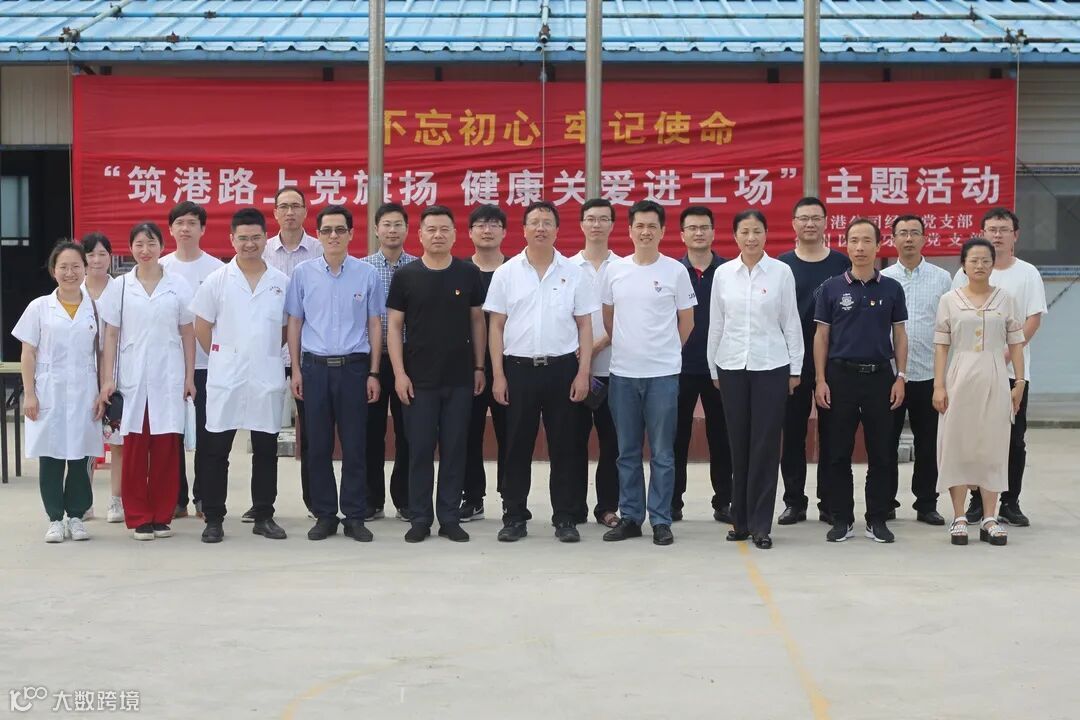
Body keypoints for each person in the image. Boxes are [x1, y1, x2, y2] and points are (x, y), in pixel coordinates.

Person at [484, 200, 596, 543]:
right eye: (535, 222)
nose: (541, 228)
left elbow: (585, 326)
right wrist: (498, 374)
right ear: (524, 229)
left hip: (563, 369)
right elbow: (496, 326)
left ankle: (565, 517)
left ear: (558, 230)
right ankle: (514, 516)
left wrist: (583, 373)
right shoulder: (506, 273)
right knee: (516, 446)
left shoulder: (574, 272)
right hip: (518, 370)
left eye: (547, 223)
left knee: (565, 446)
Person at [190, 209, 290, 543]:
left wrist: (261, 352)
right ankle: (214, 519)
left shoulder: (281, 282)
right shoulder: (217, 280)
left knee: (266, 449)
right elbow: (202, 326)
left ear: (265, 238)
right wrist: (223, 355)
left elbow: (285, 329)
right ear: (232, 239)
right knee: (217, 450)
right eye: (243, 238)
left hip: (265, 375)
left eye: (256, 237)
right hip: (226, 377)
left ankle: (264, 515)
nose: (249, 244)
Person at [387, 206, 486, 543]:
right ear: (420, 235)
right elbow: (394, 327)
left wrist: (479, 366)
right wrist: (399, 374)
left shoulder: (468, 273)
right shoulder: (407, 275)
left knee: (455, 449)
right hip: (418, 381)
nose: (438, 235)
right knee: (419, 450)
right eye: (431, 229)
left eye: (444, 229)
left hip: (460, 378)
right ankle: (419, 518)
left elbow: (477, 321)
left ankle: (449, 517)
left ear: (455, 234)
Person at [286, 204, 384, 543]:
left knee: (355, 445)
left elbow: (374, 324)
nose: (333, 236)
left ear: (351, 234)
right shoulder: (303, 274)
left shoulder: (366, 274)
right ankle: (325, 514)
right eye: (326, 230)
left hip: (354, 369)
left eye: (340, 230)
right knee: (318, 446)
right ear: (318, 235)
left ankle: (355, 515)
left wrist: (374, 372)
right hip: (314, 370)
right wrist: (296, 369)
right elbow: (295, 322)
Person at [602, 200, 696, 546]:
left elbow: (687, 322)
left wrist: (666, 351)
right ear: (629, 230)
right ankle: (630, 517)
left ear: (663, 231)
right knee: (626, 451)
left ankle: (660, 519)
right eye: (639, 226)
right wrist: (628, 346)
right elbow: (609, 317)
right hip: (623, 375)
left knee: (662, 453)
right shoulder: (614, 270)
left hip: (662, 376)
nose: (645, 232)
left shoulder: (675, 271)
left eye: (652, 226)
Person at [706, 210, 803, 550]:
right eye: (745, 231)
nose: (751, 238)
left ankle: (761, 525)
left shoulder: (781, 272)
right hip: (731, 365)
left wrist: (795, 369)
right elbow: (717, 324)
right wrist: (713, 368)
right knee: (738, 444)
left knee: (765, 446)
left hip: (771, 366)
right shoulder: (723, 274)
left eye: (757, 231)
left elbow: (791, 321)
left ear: (766, 234)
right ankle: (740, 521)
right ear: (735, 236)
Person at [96, 222, 196, 541]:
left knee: (166, 447)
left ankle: (162, 515)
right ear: (130, 248)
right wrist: (108, 379)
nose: (145, 250)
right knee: (135, 449)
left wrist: (189, 377)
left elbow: (188, 332)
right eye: (139, 244)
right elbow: (111, 335)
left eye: (151, 243)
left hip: (169, 375)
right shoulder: (121, 286)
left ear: (162, 246)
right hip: (132, 376)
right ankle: (139, 516)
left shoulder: (178, 284)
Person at [814, 219, 908, 544]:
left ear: (878, 246)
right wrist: (820, 379)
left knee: (881, 453)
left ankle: (876, 519)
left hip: (880, 377)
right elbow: (821, 335)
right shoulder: (831, 288)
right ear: (846, 244)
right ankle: (842, 518)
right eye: (854, 240)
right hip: (839, 377)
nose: (860, 247)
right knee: (837, 452)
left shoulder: (892, 288)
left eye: (867, 240)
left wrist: (901, 376)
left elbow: (900, 334)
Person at [952, 208, 1047, 527]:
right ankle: (978, 502)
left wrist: (1003, 355)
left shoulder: (1027, 273)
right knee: (974, 436)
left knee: (1012, 439)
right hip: (971, 373)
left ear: (1015, 235)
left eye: (1004, 229)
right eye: (991, 229)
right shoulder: (965, 272)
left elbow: (1033, 319)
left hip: (1011, 373)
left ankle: (1010, 501)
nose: (997, 235)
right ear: (982, 233)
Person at [933, 238, 1026, 547]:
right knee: (956, 443)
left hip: (996, 376)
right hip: (959, 377)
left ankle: (989, 518)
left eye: (986, 260)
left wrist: (1019, 382)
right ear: (963, 264)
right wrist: (939, 385)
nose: (980, 265)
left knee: (993, 445)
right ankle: (959, 517)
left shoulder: (1005, 299)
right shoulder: (949, 300)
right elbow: (941, 346)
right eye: (973, 260)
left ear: (992, 264)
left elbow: (1016, 342)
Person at [13, 241, 103, 543]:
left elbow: (103, 353)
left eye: (76, 266)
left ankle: (76, 516)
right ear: (54, 270)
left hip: (85, 392)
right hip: (49, 391)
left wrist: (103, 391)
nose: (70, 272)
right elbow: (28, 353)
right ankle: (55, 518)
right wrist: (30, 394)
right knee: (50, 457)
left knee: (81, 456)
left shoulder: (95, 308)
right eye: (63, 267)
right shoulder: (39, 307)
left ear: (85, 269)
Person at [777, 197, 850, 525]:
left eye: (816, 218)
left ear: (825, 222)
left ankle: (828, 502)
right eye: (803, 218)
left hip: (834, 362)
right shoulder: (781, 266)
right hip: (791, 361)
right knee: (792, 434)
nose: (809, 224)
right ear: (793, 223)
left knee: (832, 434)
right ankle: (794, 502)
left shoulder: (842, 264)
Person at [254, 186, 322, 521]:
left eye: (296, 206)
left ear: (306, 211)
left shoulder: (321, 250)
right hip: (267, 352)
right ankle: (261, 504)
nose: (290, 212)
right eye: (284, 206)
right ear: (275, 213)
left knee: (310, 433)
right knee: (262, 431)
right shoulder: (261, 251)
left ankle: (315, 501)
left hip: (307, 353)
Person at [880, 215, 951, 525]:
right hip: (890, 375)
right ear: (893, 239)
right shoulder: (883, 278)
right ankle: (886, 502)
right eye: (902, 233)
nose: (908, 239)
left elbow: (949, 326)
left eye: (914, 233)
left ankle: (926, 503)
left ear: (925, 238)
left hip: (928, 374)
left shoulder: (942, 279)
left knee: (928, 443)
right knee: (885, 442)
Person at [160, 201, 224, 519]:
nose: (185, 228)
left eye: (192, 223)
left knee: (207, 435)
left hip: (207, 365)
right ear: (171, 229)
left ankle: (203, 497)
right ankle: (176, 498)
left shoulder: (217, 269)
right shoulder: (160, 267)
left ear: (203, 229)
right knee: (171, 434)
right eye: (180, 223)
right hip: (169, 366)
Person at [673, 205, 733, 525]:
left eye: (704, 227)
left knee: (722, 438)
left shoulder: (729, 271)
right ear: (682, 234)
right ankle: (672, 502)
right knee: (675, 438)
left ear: (713, 232)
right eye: (692, 228)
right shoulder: (672, 272)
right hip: (679, 367)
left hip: (721, 368)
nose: (698, 233)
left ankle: (725, 501)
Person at [362, 202, 417, 522]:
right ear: (376, 229)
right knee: (370, 432)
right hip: (371, 359)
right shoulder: (363, 268)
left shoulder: (418, 267)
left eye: (398, 224)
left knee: (409, 432)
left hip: (410, 361)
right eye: (386, 224)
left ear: (407, 230)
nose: (392, 230)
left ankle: (405, 499)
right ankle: (372, 500)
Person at [568, 198, 621, 528]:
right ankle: (573, 508)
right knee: (573, 443)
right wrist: (582, 355)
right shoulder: (567, 268)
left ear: (613, 225)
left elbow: (627, 318)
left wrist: (597, 344)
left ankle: (607, 507)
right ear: (581, 224)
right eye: (590, 218)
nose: (596, 224)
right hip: (576, 372)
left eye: (603, 219)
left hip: (615, 371)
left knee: (612, 445)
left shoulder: (625, 267)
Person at [460, 204, 508, 522]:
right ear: (470, 232)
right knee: (468, 432)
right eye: (480, 224)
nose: (487, 230)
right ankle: (472, 497)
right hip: (468, 367)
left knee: (510, 433)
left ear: (504, 231)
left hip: (509, 366)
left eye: (493, 224)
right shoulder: (460, 271)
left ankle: (510, 497)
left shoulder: (516, 269)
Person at [82, 231, 124, 524]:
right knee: (85, 441)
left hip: (116, 375)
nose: (96, 260)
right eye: (91, 254)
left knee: (117, 440)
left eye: (102, 254)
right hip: (83, 376)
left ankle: (116, 500)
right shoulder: (73, 290)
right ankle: (83, 501)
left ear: (111, 257)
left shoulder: (121, 288)